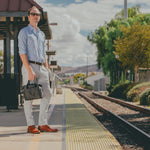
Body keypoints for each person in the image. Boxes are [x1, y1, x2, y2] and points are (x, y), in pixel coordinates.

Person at [18, 6, 58, 134]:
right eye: (33, 14)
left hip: (42, 67)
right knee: (29, 96)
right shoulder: (24, 32)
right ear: (28, 16)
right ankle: (30, 125)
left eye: (37, 14)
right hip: (30, 66)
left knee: (47, 94)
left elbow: (44, 51)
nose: (35, 16)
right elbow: (22, 52)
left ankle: (42, 123)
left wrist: (46, 65)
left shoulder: (41, 34)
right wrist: (29, 69)